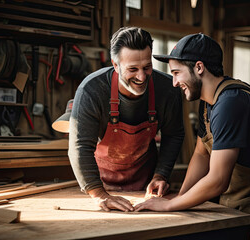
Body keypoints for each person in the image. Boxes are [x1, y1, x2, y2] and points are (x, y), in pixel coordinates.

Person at [134, 33, 250, 239]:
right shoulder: (208, 102)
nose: (174, 82)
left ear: (199, 67)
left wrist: (169, 205)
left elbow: (218, 180)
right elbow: (201, 154)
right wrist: (181, 197)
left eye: (177, 73)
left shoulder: (231, 103)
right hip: (243, 193)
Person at [68, 27, 184, 212]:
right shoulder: (91, 90)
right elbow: (80, 146)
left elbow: (174, 135)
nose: (141, 77)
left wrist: (160, 175)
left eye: (147, 67)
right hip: (100, 183)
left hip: (147, 183)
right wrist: (99, 194)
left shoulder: (168, 90)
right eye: (132, 69)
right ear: (115, 65)